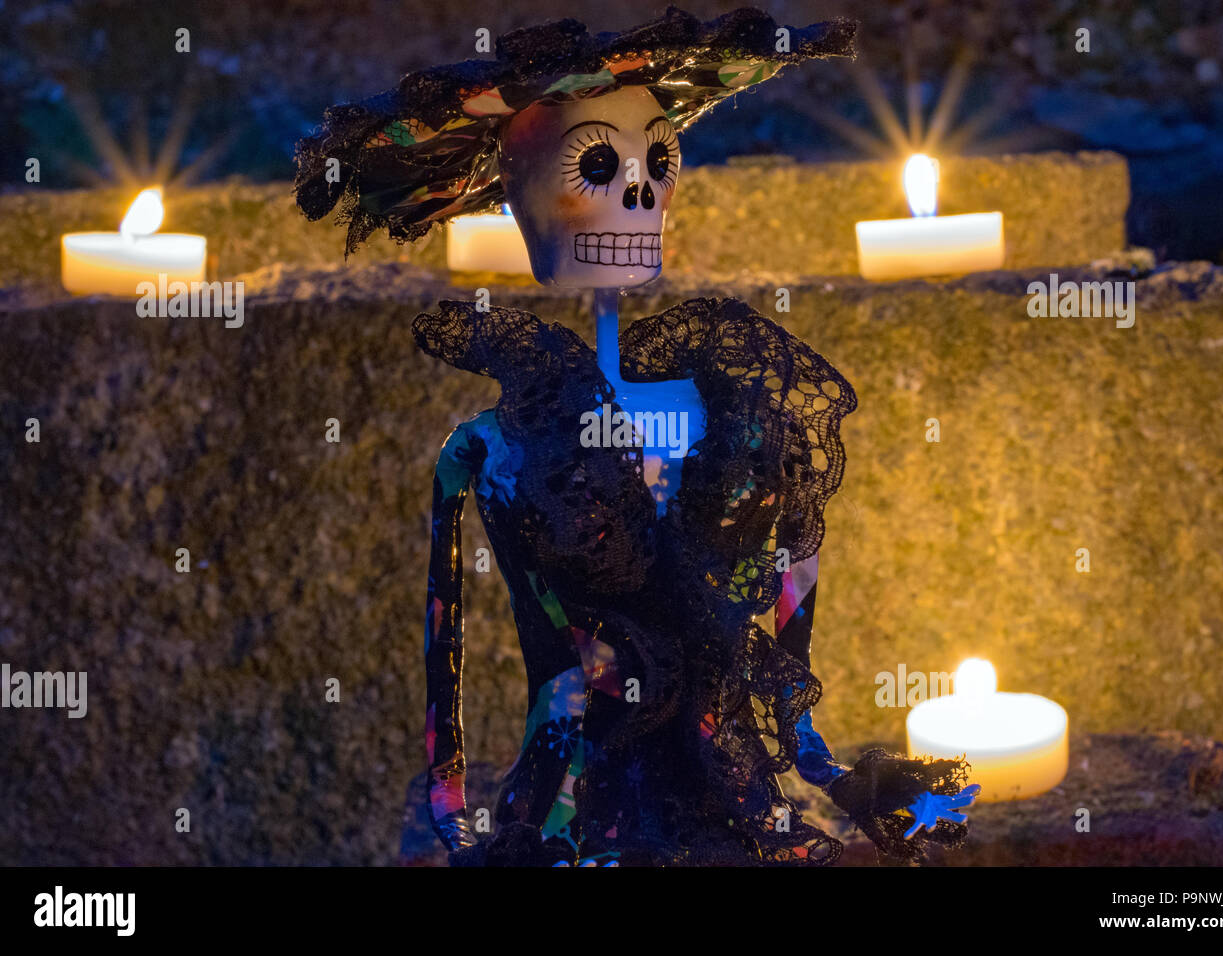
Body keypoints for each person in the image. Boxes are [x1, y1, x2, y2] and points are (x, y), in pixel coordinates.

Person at [296, 6, 977, 867]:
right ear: (514, 188)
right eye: (597, 165)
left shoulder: (748, 411)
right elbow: (449, 654)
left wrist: (838, 776)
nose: (641, 194)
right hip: (568, 812)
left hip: (735, 801)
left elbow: (783, 660)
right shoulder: (494, 441)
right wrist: (454, 818)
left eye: (659, 160)